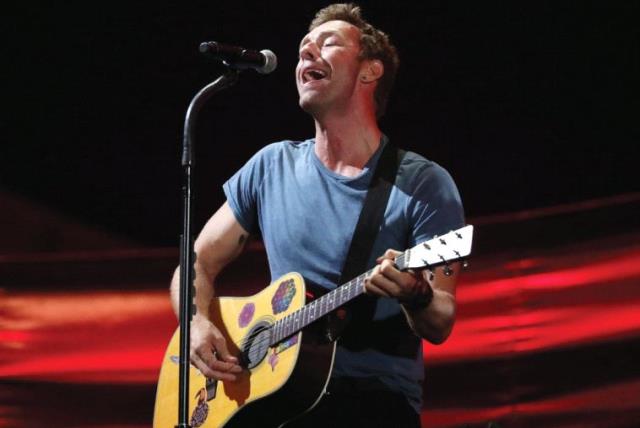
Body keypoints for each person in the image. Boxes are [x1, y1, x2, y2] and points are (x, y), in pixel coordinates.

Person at [169, 3, 465, 427]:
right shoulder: (270, 167)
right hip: (273, 401)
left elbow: (440, 322)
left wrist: (414, 294)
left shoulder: (423, 184)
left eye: (328, 44)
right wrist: (196, 323)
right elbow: (195, 261)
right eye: (304, 47)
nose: (307, 53)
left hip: (373, 399)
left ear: (370, 72)